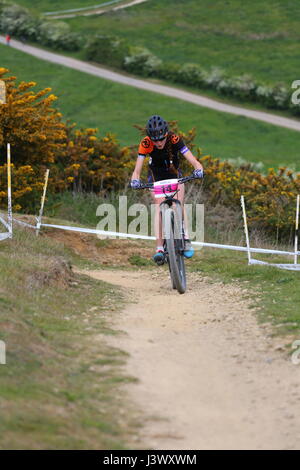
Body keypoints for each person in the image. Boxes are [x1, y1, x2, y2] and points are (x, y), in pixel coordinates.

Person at [130, 115, 204, 264]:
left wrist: (198, 168)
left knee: (178, 204)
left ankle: (186, 238)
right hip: (156, 178)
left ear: (166, 135)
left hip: (174, 175)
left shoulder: (174, 139)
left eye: (161, 139)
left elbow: (192, 159)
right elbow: (137, 169)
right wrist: (135, 179)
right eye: (154, 140)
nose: (158, 143)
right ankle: (159, 247)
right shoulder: (145, 143)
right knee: (159, 207)